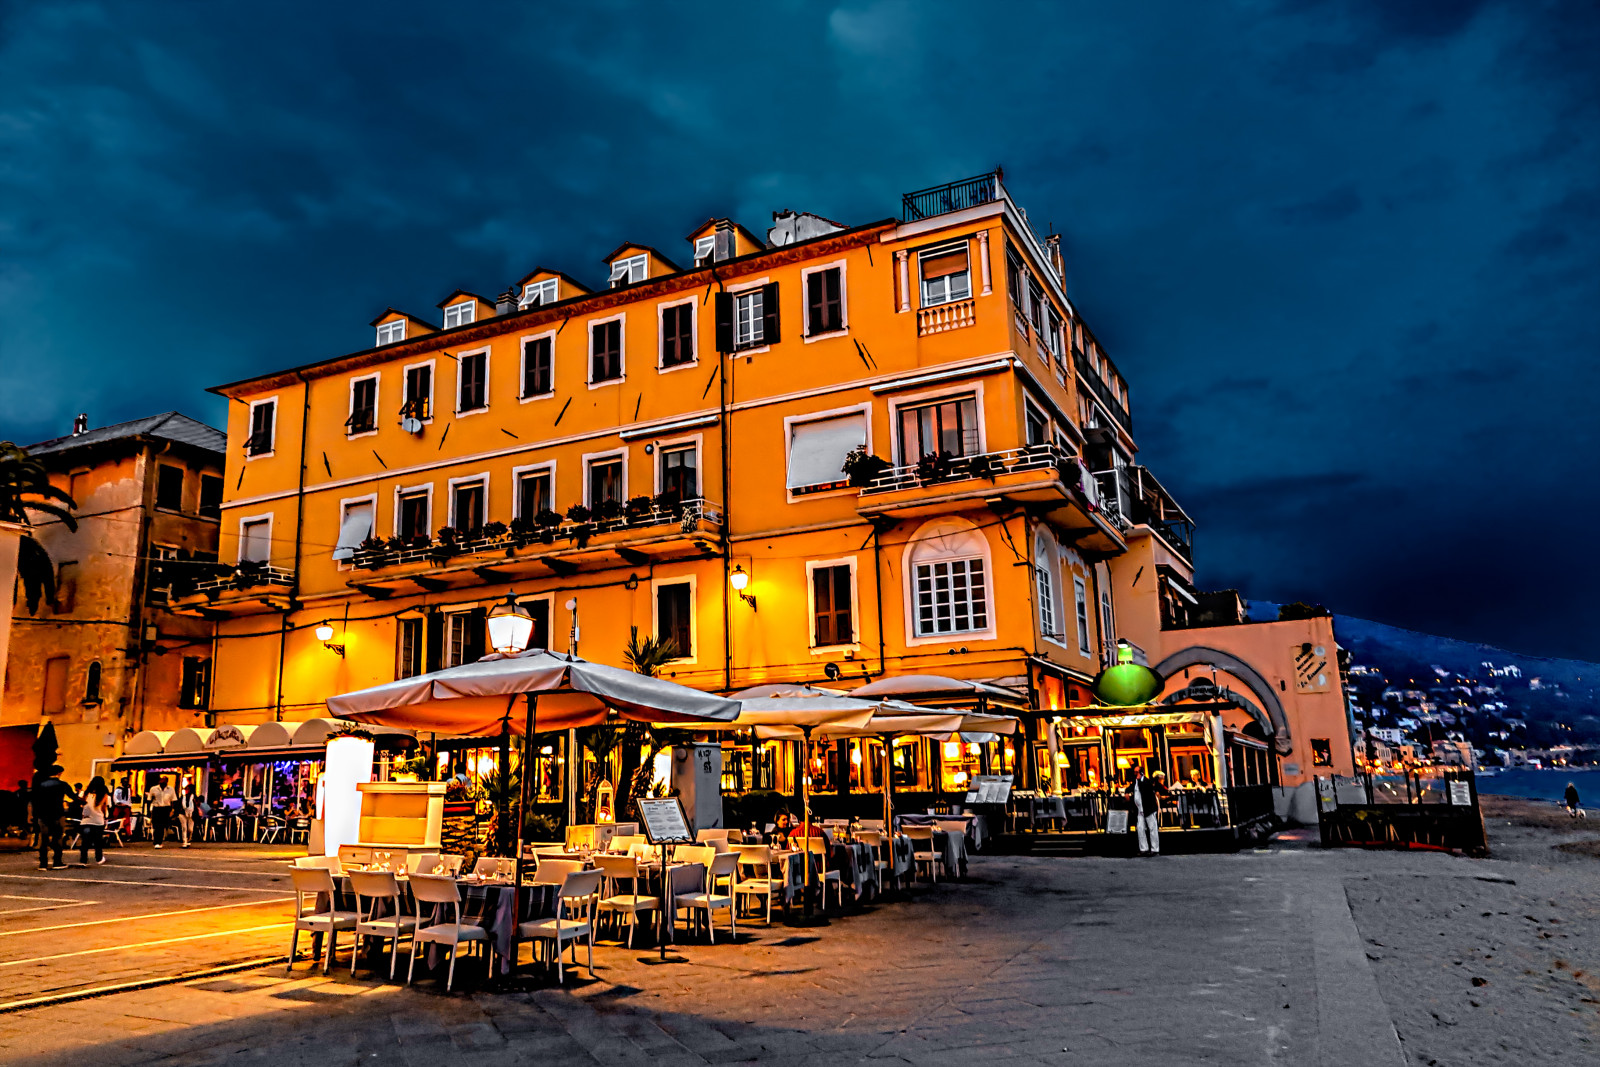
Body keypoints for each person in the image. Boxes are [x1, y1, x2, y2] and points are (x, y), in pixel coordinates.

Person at [33, 766, 70, 870]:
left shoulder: (41, 785)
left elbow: (35, 800)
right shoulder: (63, 784)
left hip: (43, 814)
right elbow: (72, 796)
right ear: (59, 773)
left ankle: (43, 863)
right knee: (57, 838)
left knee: (44, 840)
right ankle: (57, 861)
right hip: (57, 814)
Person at [1126, 767, 1169, 857]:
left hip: (1149, 809)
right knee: (1140, 828)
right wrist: (1127, 792)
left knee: (1152, 828)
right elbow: (1130, 788)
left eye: (1137, 772)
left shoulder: (1147, 781)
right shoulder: (1136, 782)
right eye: (1135, 772)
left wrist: (1158, 792)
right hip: (1140, 810)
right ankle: (1143, 848)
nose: (1135, 774)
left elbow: (1157, 787)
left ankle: (1155, 849)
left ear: (1141, 773)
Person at [77, 776, 111, 866]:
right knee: (98, 841)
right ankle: (99, 858)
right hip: (98, 820)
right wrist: (105, 817)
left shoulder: (85, 794)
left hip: (86, 820)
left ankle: (83, 860)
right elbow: (104, 807)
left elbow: (80, 804)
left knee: (85, 841)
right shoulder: (103, 794)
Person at [145, 775, 176, 848]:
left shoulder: (171, 789)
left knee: (162, 826)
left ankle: (159, 841)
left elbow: (174, 800)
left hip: (166, 808)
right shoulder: (153, 789)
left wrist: (173, 810)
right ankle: (156, 841)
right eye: (161, 780)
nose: (163, 782)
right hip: (157, 808)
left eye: (164, 781)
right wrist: (149, 811)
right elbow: (149, 800)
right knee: (156, 825)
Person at [176, 779, 199, 847]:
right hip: (182, 813)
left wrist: (196, 802)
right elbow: (178, 804)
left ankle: (188, 839)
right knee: (184, 827)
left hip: (191, 814)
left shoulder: (194, 797)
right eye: (186, 789)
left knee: (190, 829)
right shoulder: (182, 797)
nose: (186, 791)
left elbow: (197, 805)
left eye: (188, 789)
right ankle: (184, 841)